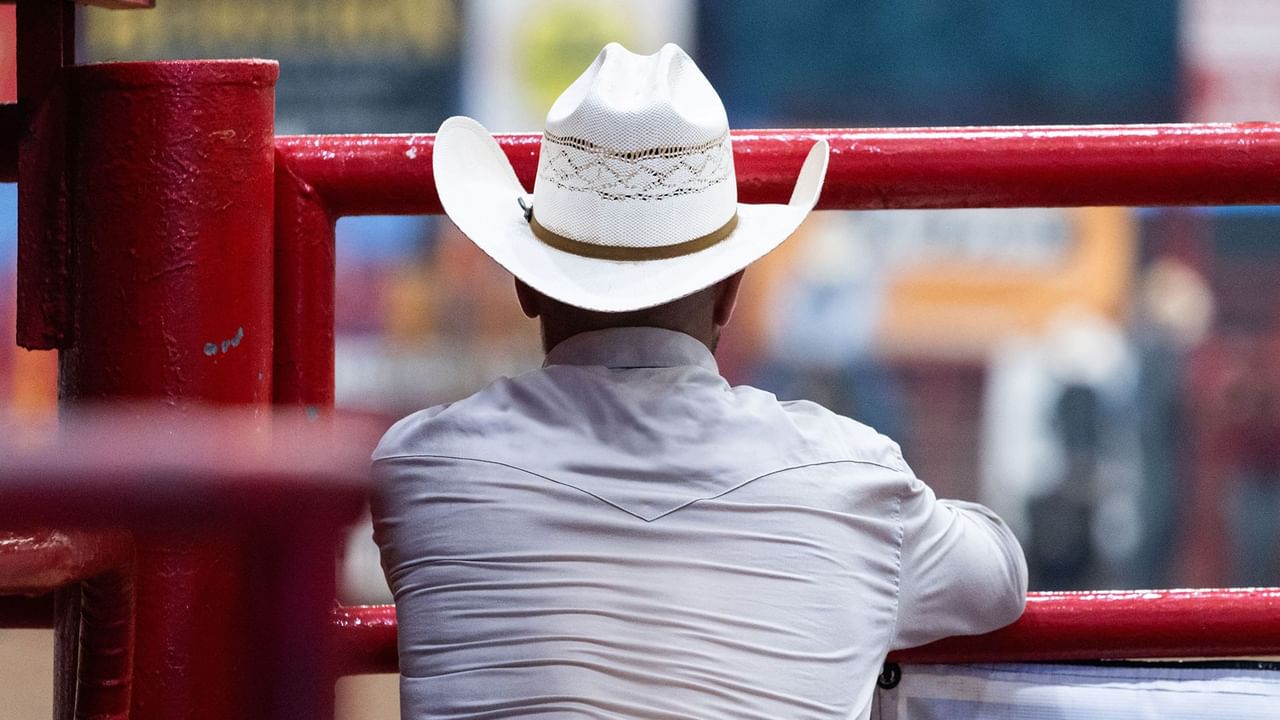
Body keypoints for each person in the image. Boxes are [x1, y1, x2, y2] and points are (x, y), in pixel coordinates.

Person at [372, 43, 1026, 720]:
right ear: (728, 296)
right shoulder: (855, 481)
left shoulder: (417, 470)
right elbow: (1000, 577)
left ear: (525, 286)